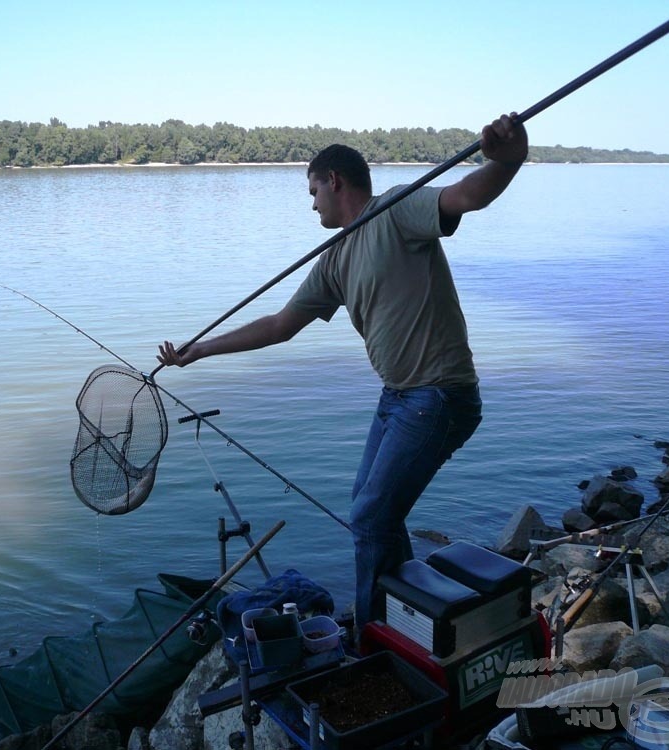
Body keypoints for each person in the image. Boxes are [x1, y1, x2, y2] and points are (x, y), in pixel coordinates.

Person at [157, 113, 528, 629]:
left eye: (313, 190)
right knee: (371, 511)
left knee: (371, 516)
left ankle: (374, 631)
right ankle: (405, 615)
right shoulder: (333, 258)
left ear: (335, 180)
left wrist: (507, 159)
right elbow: (280, 324)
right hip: (398, 397)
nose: (312, 204)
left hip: (439, 396)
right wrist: (200, 350)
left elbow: (466, 194)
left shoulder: (397, 208)